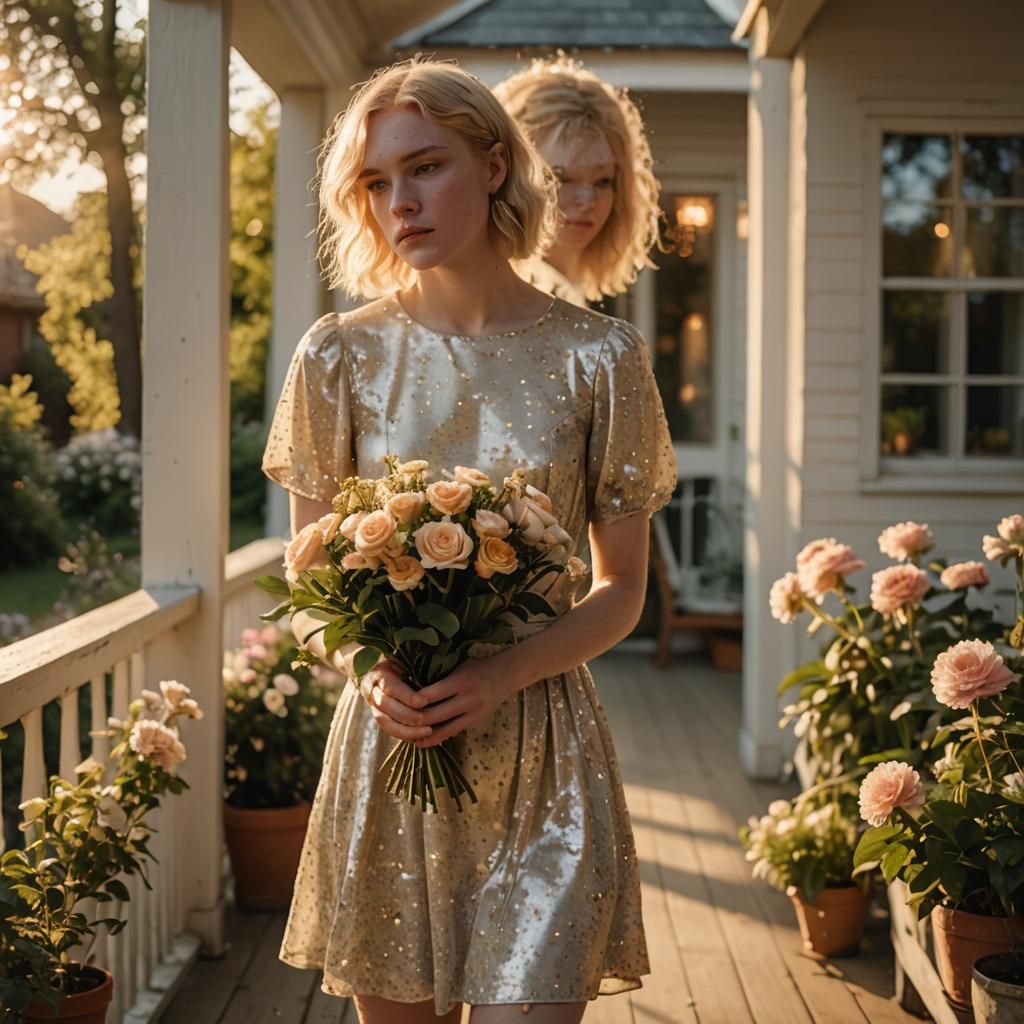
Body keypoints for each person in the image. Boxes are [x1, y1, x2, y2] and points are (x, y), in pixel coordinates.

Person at [261, 58, 677, 1024]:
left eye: (426, 167)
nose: (398, 201)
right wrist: (368, 666)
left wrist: (500, 674)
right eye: (375, 182)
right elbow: (307, 584)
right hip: (392, 751)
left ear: (494, 165)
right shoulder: (337, 356)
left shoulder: (601, 358)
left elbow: (621, 589)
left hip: (545, 758)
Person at [493, 54, 661, 307]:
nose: (587, 200)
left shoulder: (564, 295)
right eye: (561, 178)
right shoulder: (502, 298)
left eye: (603, 181)